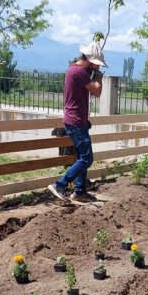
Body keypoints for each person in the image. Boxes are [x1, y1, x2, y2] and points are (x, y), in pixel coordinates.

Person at [48, 42, 105, 204]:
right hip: (76, 122)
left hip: (76, 120)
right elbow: (97, 91)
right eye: (96, 64)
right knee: (87, 158)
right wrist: (98, 77)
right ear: (89, 60)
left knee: (81, 156)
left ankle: (79, 192)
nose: (97, 67)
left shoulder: (74, 70)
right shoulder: (79, 72)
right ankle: (60, 184)